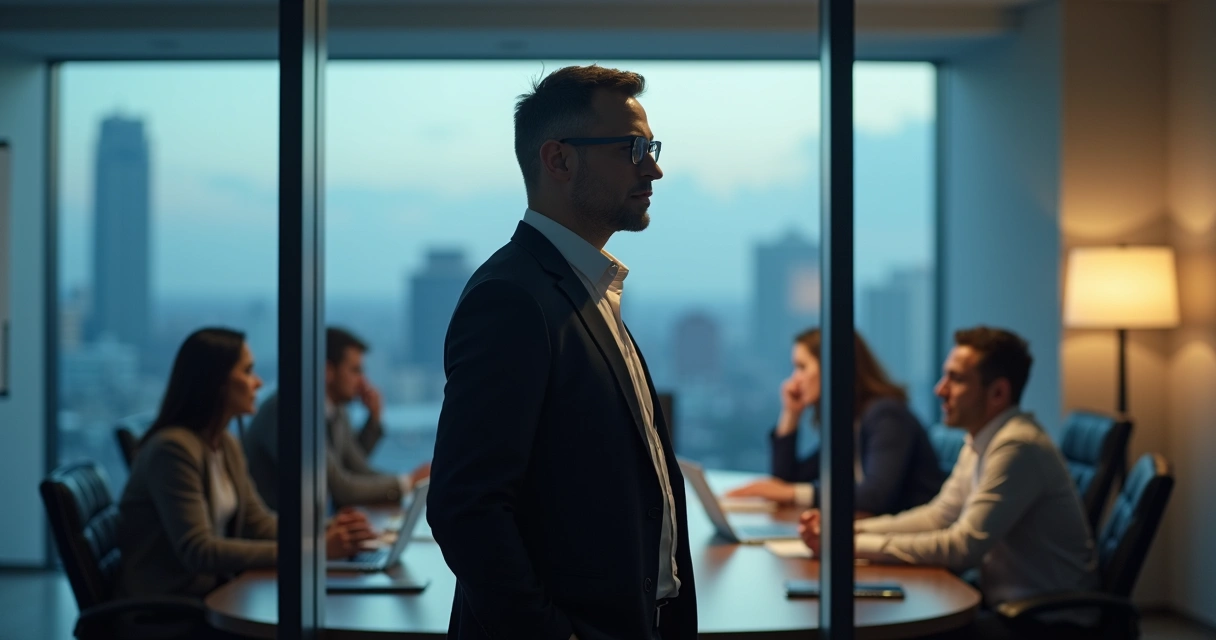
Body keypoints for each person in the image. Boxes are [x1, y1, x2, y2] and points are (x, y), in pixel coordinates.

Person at [427, 65, 696, 640]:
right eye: (632, 148)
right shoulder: (512, 297)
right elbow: (465, 508)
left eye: (650, 147)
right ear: (559, 159)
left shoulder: (585, 287)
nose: (654, 168)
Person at [798, 326, 1098, 633]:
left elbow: (962, 547)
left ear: (998, 393)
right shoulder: (981, 440)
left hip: (1045, 624)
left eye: (955, 379)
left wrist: (849, 544)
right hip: (1001, 608)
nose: (940, 389)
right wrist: (847, 530)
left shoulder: (1017, 446)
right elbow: (939, 515)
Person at [115, 327, 377, 601]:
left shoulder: (225, 444)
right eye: (248, 371)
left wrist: (327, 528)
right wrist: (314, 549)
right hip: (169, 613)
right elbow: (199, 551)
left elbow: (258, 524)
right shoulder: (173, 450)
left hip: (214, 595)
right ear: (217, 382)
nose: (259, 383)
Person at [727, 328, 943, 517]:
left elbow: (875, 495)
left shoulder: (886, 415)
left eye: (802, 367)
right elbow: (786, 480)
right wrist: (790, 414)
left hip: (916, 550)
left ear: (833, 366)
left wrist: (793, 493)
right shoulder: (849, 422)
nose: (794, 379)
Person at [243, 327, 430, 510]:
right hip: (279, 533)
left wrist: (373, 420)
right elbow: (341, 487)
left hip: (313, 528)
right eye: (355, 371)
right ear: (328, 371)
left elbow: (356, 468)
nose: (362, 381)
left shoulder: (336, 409)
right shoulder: (289, 410)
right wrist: (407, 482)